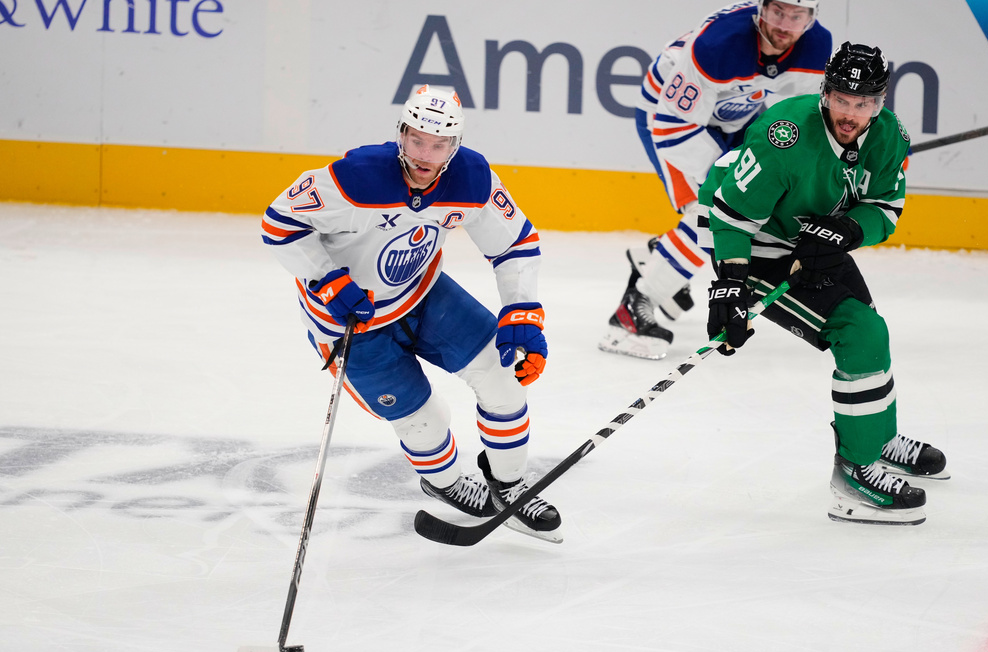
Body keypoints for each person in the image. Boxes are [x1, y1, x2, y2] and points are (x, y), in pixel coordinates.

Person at [260, 85, 562, 543]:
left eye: (439, 144)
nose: (426, 154)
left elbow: (515, 241)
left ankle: (510, 486)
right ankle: (446, 483)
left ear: (455, 146)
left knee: (502, 381)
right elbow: (281, 223)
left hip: (423, 295)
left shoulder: (472, 178)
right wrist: (328, 279)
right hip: (351, 324)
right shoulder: (356, 177)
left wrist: (522, 308)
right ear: (400, 134)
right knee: (424, 419)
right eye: (417, 139)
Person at [699, 42, 949, 525]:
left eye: (863, 104)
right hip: (757, 243)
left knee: (866, 331)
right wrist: (731, 284)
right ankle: (854, 475)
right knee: (859, 334)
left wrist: (847, 230)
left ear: (879, 104)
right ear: (825, 93)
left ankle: (874, 438)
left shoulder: (890, 135)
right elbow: (730, 218)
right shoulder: (785, 133)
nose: (850, 114)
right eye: (841, 100)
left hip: (811, 234)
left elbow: (885, 208)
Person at [600, 0, 832, 360]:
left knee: (740, 206)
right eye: (777, 12)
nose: (784, 25)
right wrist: (727, 183)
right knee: (714, 212)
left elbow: (797, 117)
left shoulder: (816, 45)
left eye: (797, 16)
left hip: (736, 120)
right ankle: (634, 310)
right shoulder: (716, 46)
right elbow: (671, 125)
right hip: (672, 118)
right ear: (761, 7)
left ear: (811, 19)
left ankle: (657, 257)